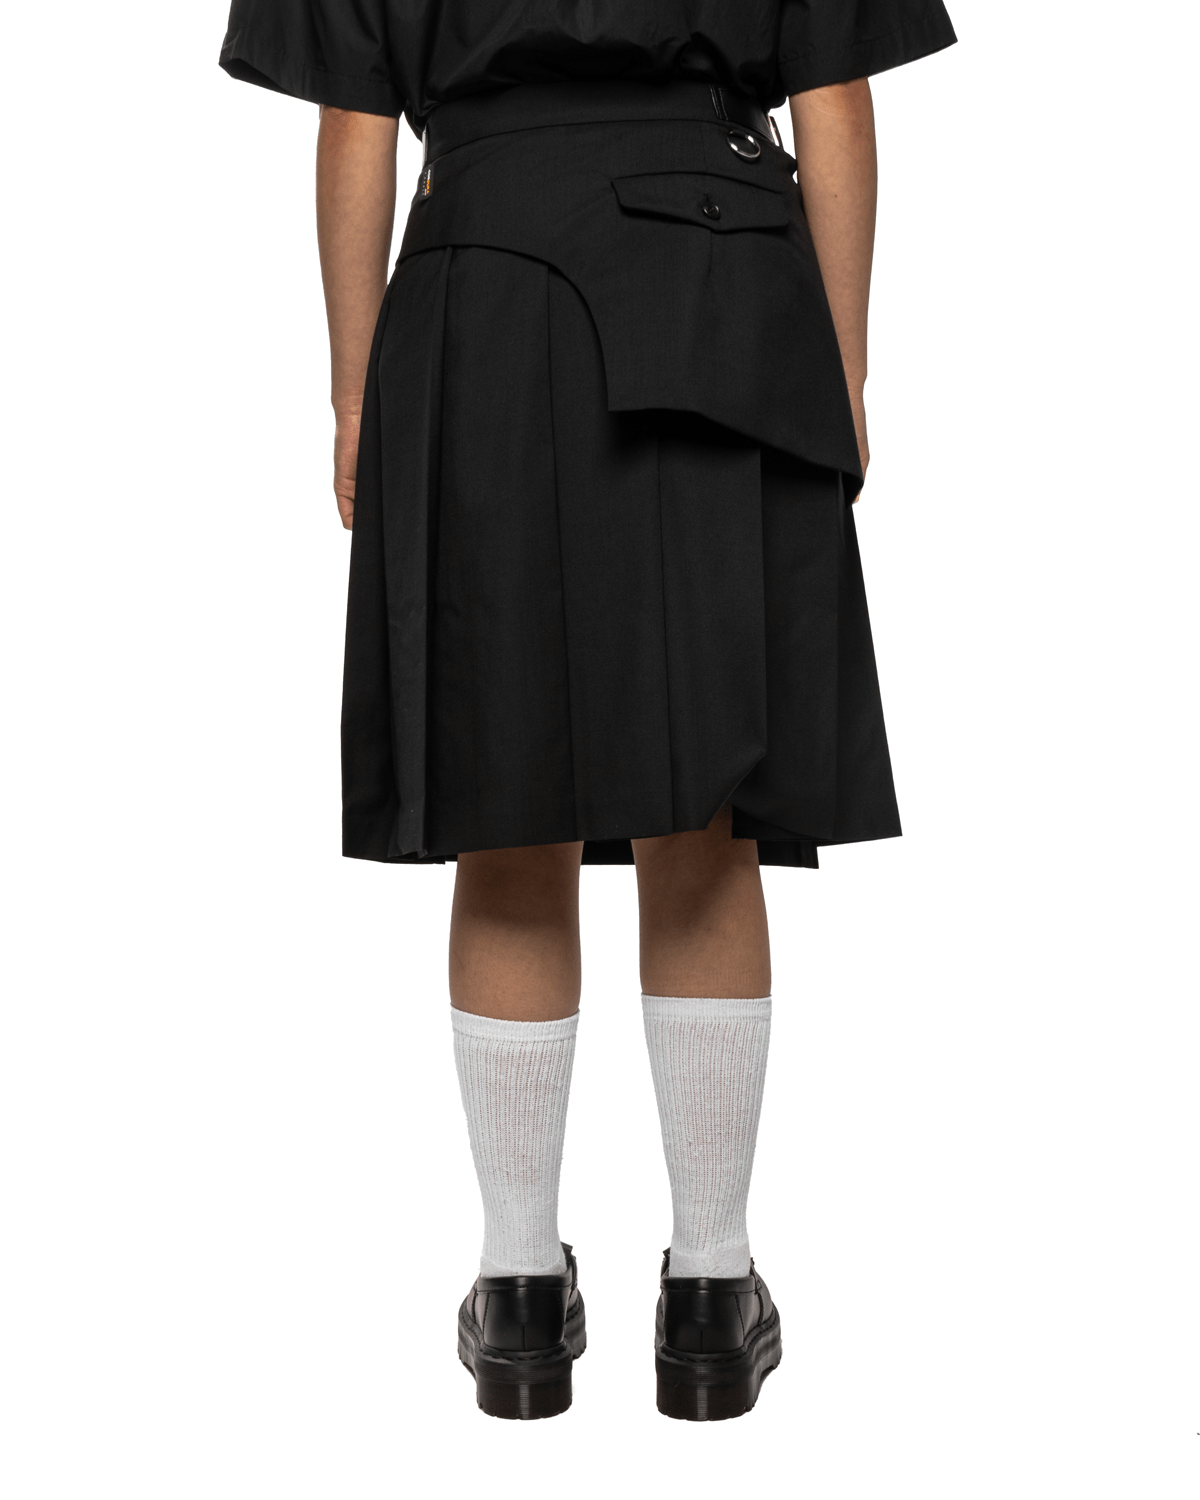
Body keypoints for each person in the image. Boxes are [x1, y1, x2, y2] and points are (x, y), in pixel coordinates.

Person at [219, 0, 956, 1422]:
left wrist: (359, 394)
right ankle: (710, 1296)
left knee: (510, 806)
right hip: (722, 287)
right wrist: (845, 366)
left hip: (483, 287)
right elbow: (837, 97)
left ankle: (516, 1295)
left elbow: (354, 119)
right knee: (705, 810)